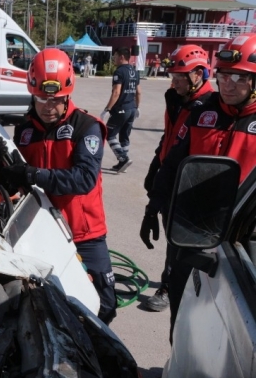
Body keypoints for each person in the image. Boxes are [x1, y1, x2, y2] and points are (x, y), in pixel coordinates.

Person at [141, 33, 256, 341]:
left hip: (241, 240)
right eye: (223, 75)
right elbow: (173, 162)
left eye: (238, 77)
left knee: (233, 328)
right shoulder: (202, 112)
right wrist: (153, 207)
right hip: (191, 231)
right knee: (182, 318)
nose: (228, 84)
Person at [0, 48, 117, 324]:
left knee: (103, 305)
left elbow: (84, 179)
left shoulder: (87, 127)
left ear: (67, 94)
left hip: (84, 234)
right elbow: (20, 180)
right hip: (41, 233)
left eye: (56, 99)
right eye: (40, 99)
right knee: (44, 306)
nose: (48, 106)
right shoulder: (25, 131)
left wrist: (33, 174)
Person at [142, 45, 214, 313]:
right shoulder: (176, 98)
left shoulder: (209, 107)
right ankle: (172, 279)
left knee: (178, 241)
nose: (174, 82)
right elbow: (169, 136)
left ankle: (169, 287)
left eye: (180, 77)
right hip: (168, 176)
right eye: (173, 76)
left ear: (198, 74)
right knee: (172, 237)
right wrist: (155, 166)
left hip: (187, 186)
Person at [100, 47, 141, 173]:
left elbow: (116, 92)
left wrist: (107, 109)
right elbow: (138, 92)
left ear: (122, 57)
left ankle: (123, 158)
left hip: (122, 109)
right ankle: (122, 164)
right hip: (132, 108)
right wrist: (137, 107)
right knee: (124, 136)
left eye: (115, 56)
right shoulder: (135, 72)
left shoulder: (120, 72)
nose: (114, 59)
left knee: (109, 134)